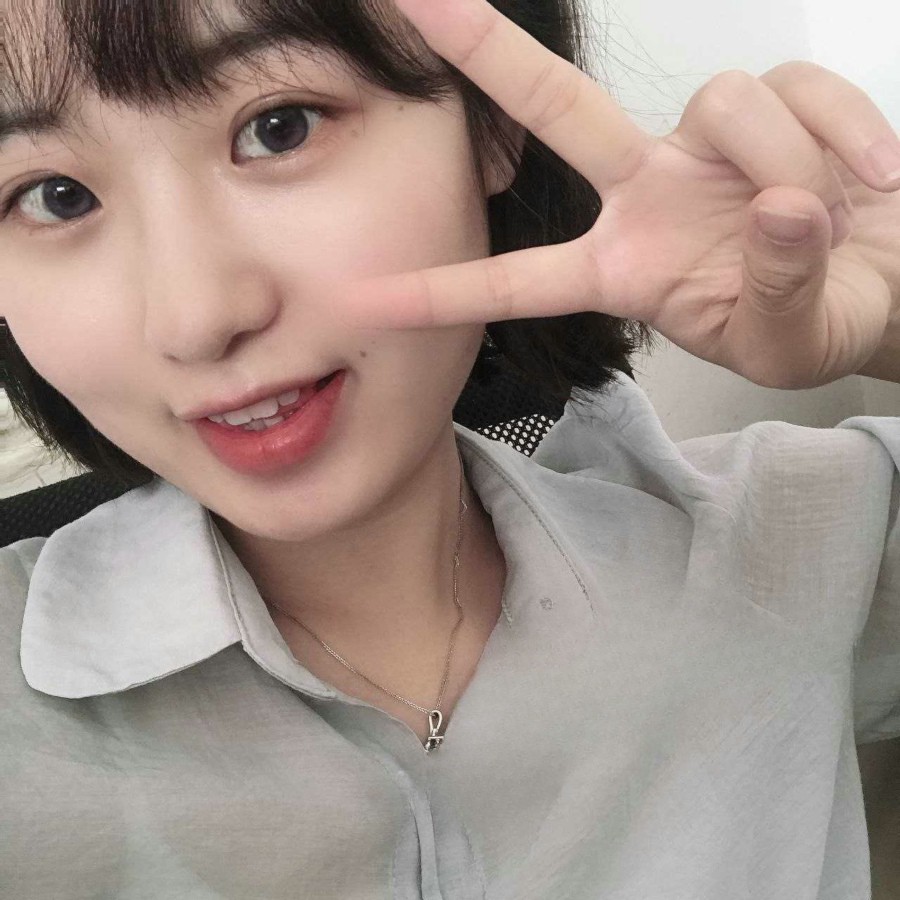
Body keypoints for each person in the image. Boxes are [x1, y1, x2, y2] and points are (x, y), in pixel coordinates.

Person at [0, 0, 898, 896]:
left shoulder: (785, 553)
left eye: (280, 127)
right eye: (54, 196)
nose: (195, 319)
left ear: (491, 125)